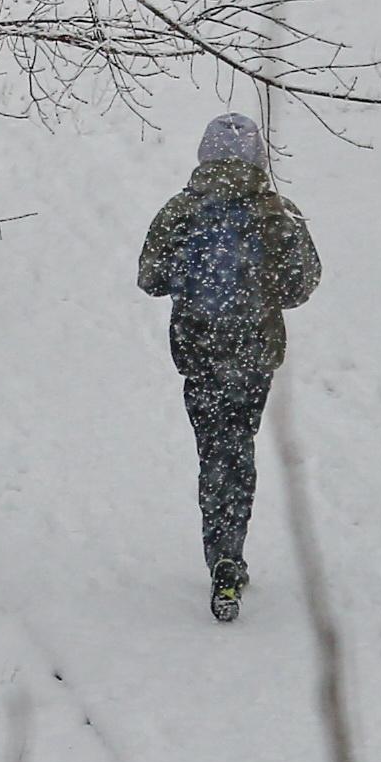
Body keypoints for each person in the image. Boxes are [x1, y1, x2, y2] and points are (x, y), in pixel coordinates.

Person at [137, 113, 321, 621]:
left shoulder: (181, 211)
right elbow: (301, 287)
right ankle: (230, 554)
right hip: (253, 357)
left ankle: (222, 554)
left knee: (215, 450)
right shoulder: (279, 213)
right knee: (238, 447)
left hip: (199, 354)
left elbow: (150, 279)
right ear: (258, 157)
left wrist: (194, 282)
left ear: (204, 156)